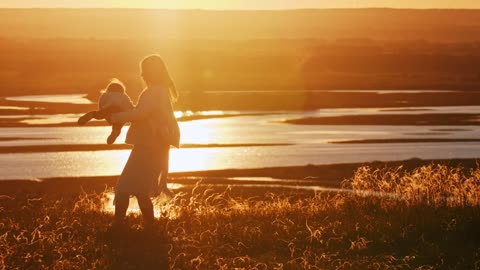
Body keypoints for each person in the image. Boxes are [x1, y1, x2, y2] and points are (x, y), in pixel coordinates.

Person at [110, 55, 180, 228]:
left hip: (148, 146)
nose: (142, 75)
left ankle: (120, 226)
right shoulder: (160, 91)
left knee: (124, 187)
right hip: (151, 145)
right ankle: (148, 226)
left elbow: (140, 114)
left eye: (144, 71)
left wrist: (115, 116)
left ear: (152, 73)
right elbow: (142, 112)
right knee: (139, 189)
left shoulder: (154, 92)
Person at [77, 79, 134, 144]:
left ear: (108, 88)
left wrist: (101, 110)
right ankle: (114, 134)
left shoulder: (106, 94)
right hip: (119, 113)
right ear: (122, 90)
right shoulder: (124, 96)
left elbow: (101, 102)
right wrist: (130, 115)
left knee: (97, 115)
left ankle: (91, 115)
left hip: (107, 110)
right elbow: (129, 106)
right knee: (118, 126)